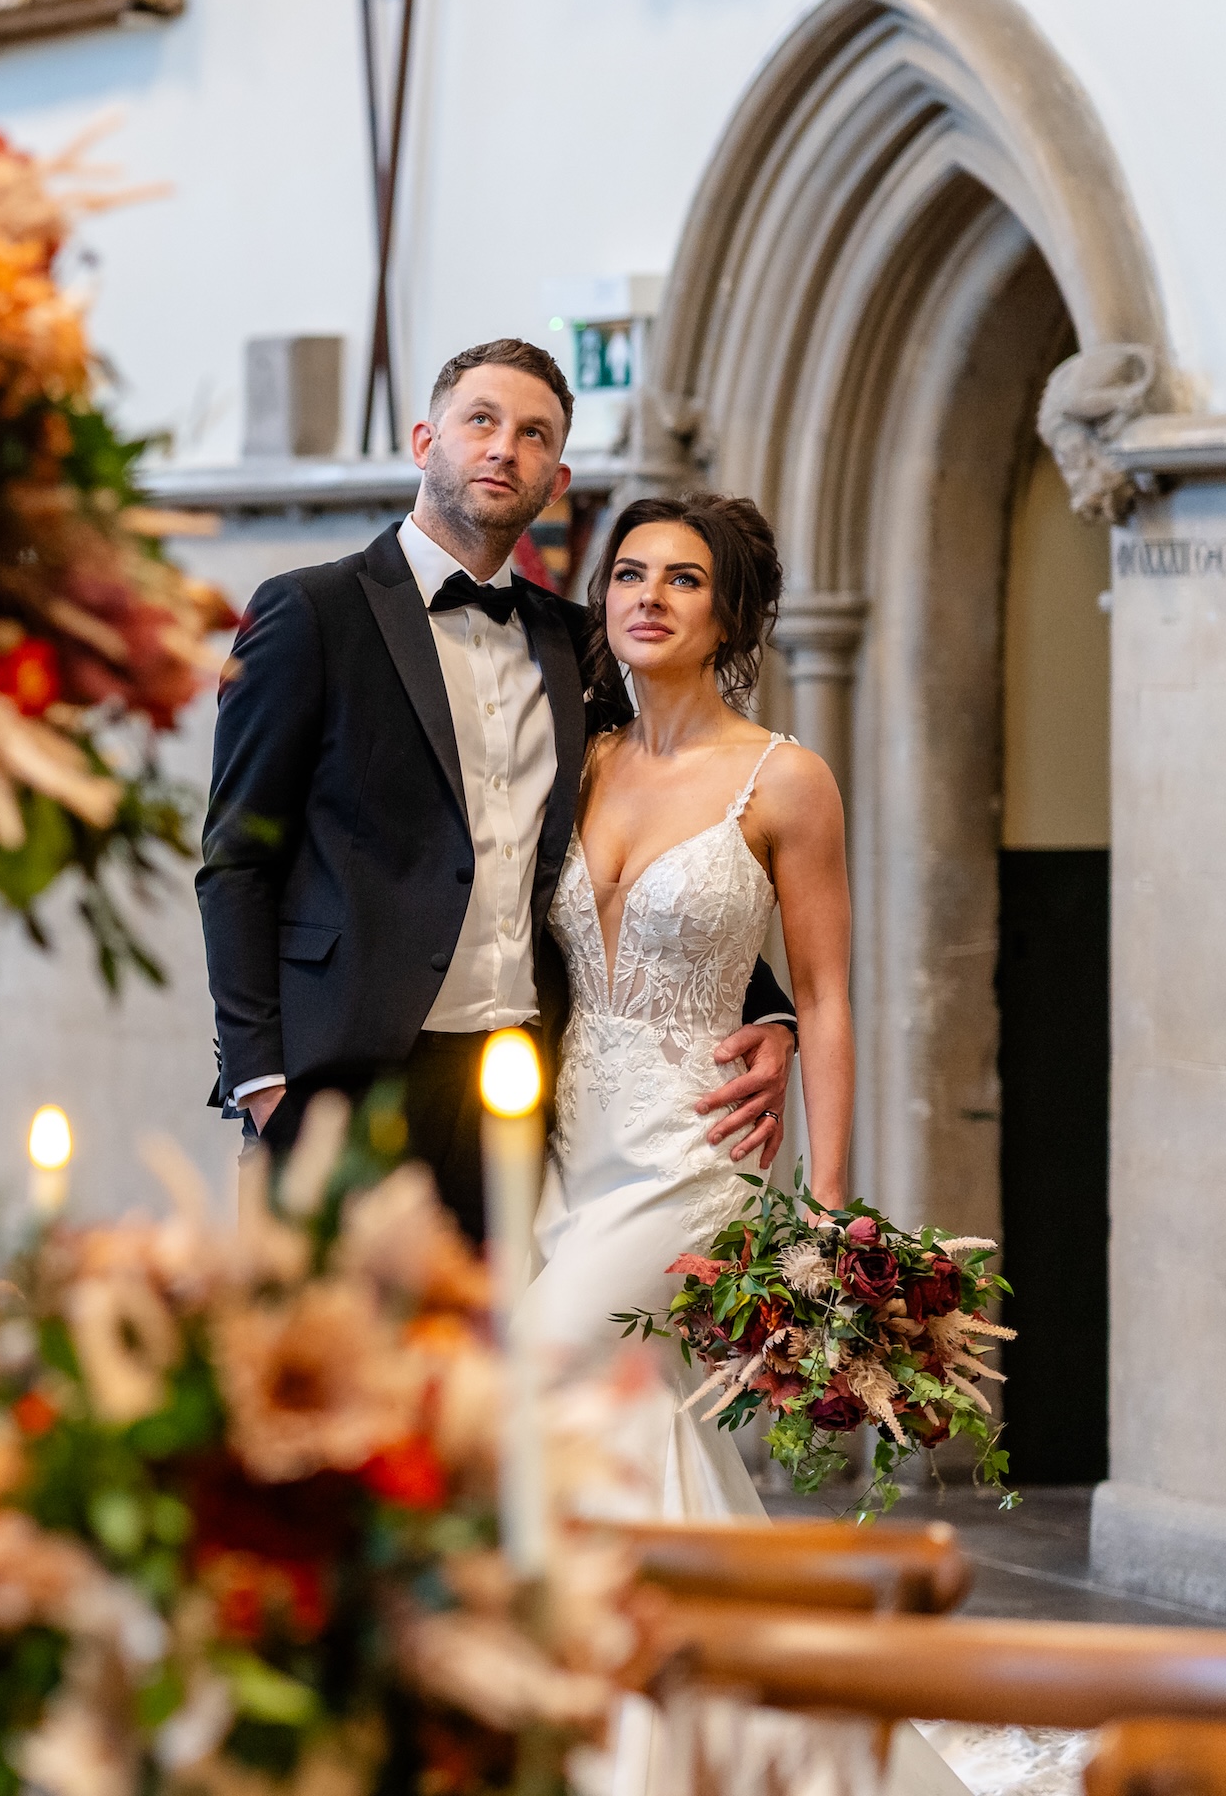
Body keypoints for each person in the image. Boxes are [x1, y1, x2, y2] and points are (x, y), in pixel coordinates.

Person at [197, 339, 794, 1238]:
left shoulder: (572, 642)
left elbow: (642, 845)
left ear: (555, 481)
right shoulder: (308, 613)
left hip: (513, 1089)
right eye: (481, 421)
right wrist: (264, 1083)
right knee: (327, 1370)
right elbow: (236, 859)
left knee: (486, 1370)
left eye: (533, 435)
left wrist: (767, 1007)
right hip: (338, 1084)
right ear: (424, 440)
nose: (502, 448)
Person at [515, 491, 848, 1486]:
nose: (649, 594)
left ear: (729, 617)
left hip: (695, 1145)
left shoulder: (785, 779)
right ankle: (668, 1618)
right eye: (629, 573)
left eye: (683, 578)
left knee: (536, 1367)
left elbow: (825, 992)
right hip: (566, 1141)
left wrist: (826, 1202)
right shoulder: (579, 760)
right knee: (622, 1402)